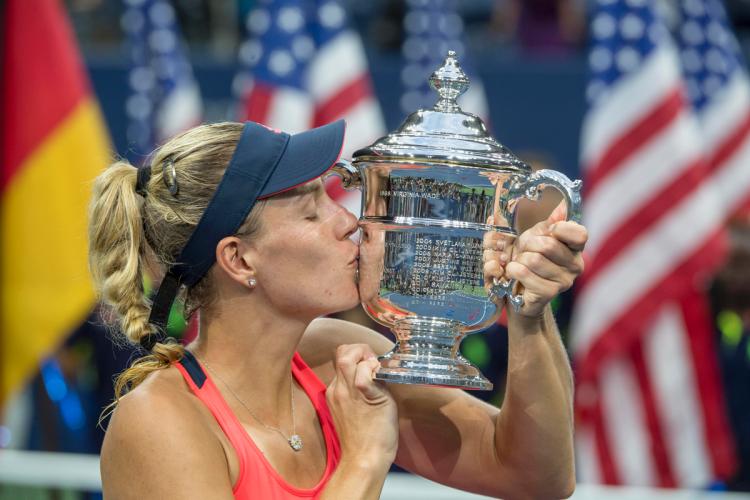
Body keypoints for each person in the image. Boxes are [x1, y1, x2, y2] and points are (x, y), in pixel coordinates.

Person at [88, 120, 587, 499]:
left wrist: (528, 311)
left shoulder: (339, 355)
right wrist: (366, 460)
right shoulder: (158, 422)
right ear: (239, 259)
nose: (350, 221)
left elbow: (535, 474)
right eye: (311, 211)